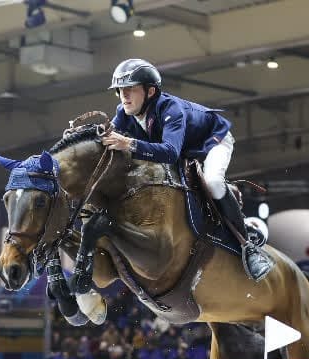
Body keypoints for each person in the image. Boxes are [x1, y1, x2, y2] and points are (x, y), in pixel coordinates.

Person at [101, 58, 273, 282]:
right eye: (120, 90)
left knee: (212, 182)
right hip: (184, 150)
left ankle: (247, 246)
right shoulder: (123, 111)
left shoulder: (171, 109)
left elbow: (170, 152)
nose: (124, 96)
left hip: (213, 141)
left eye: (130, 89)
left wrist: (130, 144)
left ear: (150, 91)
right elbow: (110, 136)